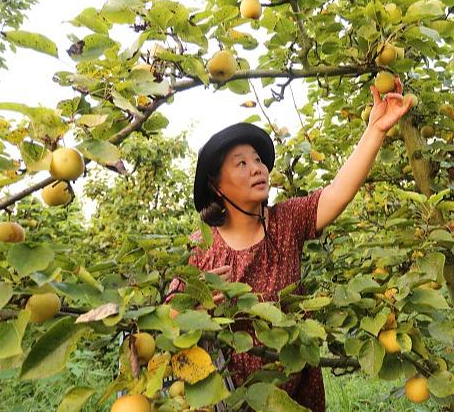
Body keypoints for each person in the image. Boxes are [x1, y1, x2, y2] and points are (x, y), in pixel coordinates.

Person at [165, 77, 413, 411]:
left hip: (296, 392)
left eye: (257, 160)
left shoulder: (286, 222)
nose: (257, 168)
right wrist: (196, 308)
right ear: (216, 184)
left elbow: (338, 193)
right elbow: (166, 321)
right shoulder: (201, 247)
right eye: (241, 163)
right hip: (232, 397)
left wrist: (376, 131)